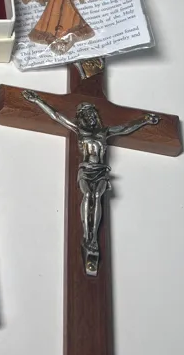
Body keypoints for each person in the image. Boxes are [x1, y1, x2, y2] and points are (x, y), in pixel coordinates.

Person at [22, 90, 159, 275]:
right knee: (87, 195)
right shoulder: (80, 130)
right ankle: (88, 236)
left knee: (97, 196)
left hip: (101, 170)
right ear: (82, 117)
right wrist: (38, 100)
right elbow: (57, 116)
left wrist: (144, 120)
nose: (91, 117)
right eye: (87, 115)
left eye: (93, 114)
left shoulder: (104, 132)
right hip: (86, 170)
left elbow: (126, 128)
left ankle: (93, 237)